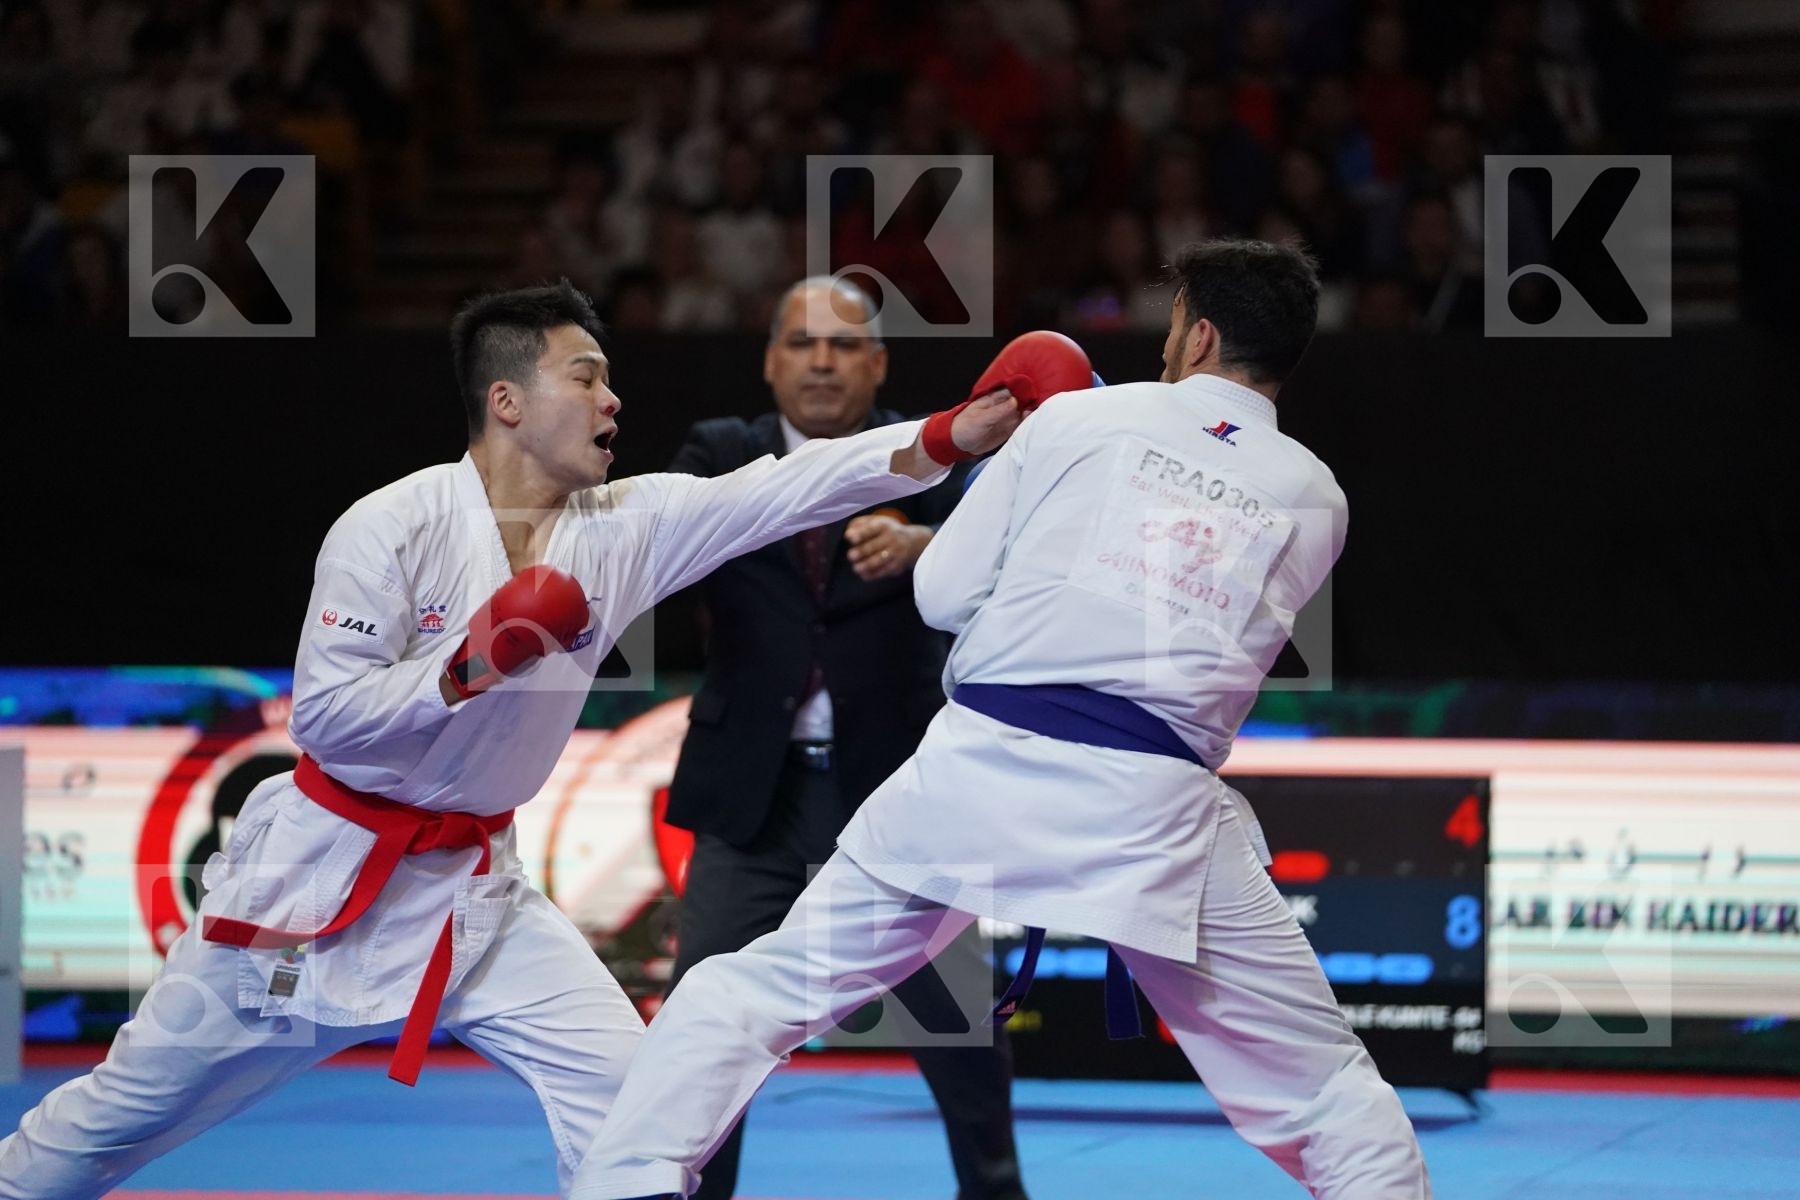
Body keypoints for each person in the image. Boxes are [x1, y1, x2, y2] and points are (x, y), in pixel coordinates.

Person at [0, 280, 1026, 1200]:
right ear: (508, 401)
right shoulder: (388, 526)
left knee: (641, 1111)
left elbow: (788, 487)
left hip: (476, 899)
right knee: (106, 1126)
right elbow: (324, 717)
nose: (613, 400)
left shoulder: (623, 526)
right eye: (587, 377)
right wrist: (464, 667)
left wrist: (951, 435)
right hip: (312, 888)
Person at [568, 240, 1434, 1200]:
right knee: (1324, 1089)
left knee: (753, 991)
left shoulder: (1078, 420)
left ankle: (624, 1183)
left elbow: (940, 592)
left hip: (980, 776)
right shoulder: (1318, 495)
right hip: (1153, 809)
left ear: (1199, 334)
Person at [661, 275, 1026, 1200]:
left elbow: (1015, 560)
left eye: (843, 345)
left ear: (879, 364)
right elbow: (665, 546)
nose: (821, 361)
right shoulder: (722, 454)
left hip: (901, 796)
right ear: (770, 362)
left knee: (961, 1029)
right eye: (802, 343)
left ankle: (995, 1191)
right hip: (754, 798)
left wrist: (926, 548)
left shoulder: (943, 459)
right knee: (706, 1031)